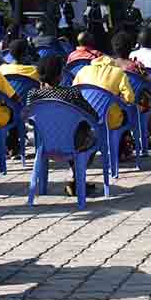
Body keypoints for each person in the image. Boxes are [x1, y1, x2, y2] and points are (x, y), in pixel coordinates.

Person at [23, 55, 101, 197]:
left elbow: (29, 120)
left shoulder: (33, 95)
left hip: (43, 144)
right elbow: (93, 116)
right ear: (60, 76)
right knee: (91, 136)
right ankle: (77, 178)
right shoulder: (72, 93)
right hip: (73, 143)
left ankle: (74, 180)